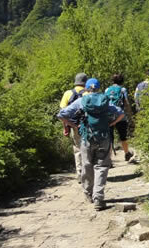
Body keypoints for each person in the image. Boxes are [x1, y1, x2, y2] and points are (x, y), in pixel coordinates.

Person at [58, 78, 124, 210]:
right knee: (102, 166)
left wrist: (74, 126)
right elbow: (121, 113)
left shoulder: (81, 101)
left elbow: (61, 114)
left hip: (87, 137)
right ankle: (98, 198)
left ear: (87, 88)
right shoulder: (105, 100)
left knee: (87, 164)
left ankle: (88, 194)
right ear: (99, 88)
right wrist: (111, 123)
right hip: (104, 136)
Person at [59, 72, 88, 183]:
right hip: (87, 125)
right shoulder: (88, 93)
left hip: (74, 126)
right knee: (88, 148)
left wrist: (66, 127)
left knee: (77, 150)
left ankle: (80, 173)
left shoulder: (68, 93)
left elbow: (63, 112)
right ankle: (89, 172)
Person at [105, 73, 134, 161]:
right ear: (122, 81)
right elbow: (126, 103)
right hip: (121, 116)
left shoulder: (107, 90)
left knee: (109, 138)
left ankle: (109, 159)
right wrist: (129, 114)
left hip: (108, 116)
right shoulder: (122, 89)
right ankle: (126, 153)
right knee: (123, 136)